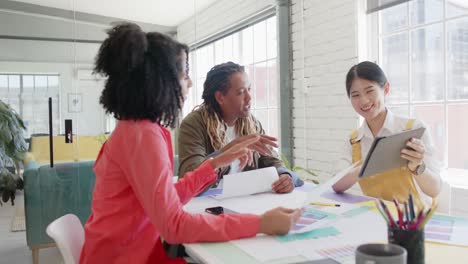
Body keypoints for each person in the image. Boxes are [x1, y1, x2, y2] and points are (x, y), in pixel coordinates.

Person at [80, 23, 302, 264]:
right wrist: (260, 223)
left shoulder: (141, 129)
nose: (190, 83)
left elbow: (166, 199)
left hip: (129, 249)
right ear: (162, 80)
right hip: (124, 256)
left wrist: (216, 162)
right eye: (185, 74)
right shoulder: (144, 135)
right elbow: (173, 225)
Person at [178, 62, 303, 195]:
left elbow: (271, 160)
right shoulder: (194, 124)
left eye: (249, 89)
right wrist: (230, 149)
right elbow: (189, 178)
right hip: (208, 204)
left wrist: (284, 176)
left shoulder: (252, 123)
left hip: (244, 200)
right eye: (241, 92)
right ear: (220, 97)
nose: (249, 98)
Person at [332, 61, 441, 208]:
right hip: (376, 216)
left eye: (370, 91)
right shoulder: (354, 141)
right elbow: (336, 185)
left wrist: (417, 166)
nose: (363, 100)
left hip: (413, 220)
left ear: (386, 89)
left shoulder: (412, 129)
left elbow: (435, 190)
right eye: (355, 95)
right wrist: (368, 165)